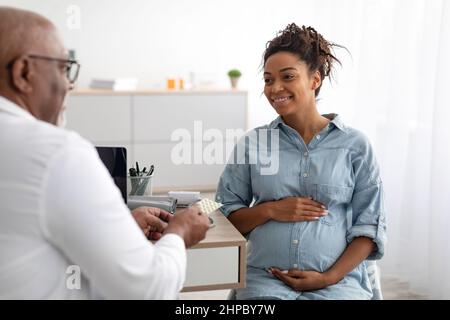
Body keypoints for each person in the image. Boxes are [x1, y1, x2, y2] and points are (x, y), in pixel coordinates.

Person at [0, 7, 210, 299]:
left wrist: (118, 232)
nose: (69, 83)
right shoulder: (58, 154)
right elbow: (149, 290)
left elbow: (26, 254)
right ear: (23, 72)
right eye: (63, 68)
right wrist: (180, 232)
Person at [216, 23, 386, 300]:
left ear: (314, 80)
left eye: (287, 77)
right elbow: (223, 212)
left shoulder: (355, 145)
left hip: (337, 284)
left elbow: (370, 225)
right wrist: (270, 210)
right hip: (264, 279)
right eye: (269, 80)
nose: (275, 88)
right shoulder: (252, 144)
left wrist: (328, 277)